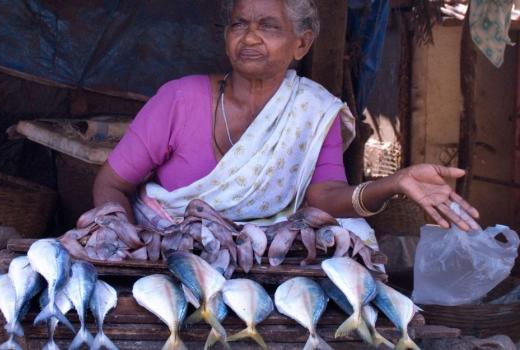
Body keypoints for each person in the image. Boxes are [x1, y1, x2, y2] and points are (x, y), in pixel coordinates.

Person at [93, 0, 479, 233]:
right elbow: (110, 185)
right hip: (168, 257)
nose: (249, 37)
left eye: (269, 26)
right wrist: (125, 243)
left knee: (355, 235)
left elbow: (325, 198)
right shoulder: (178, 99)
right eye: (239, 24)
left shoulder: (314, 112)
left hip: (265, 263)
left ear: (302, 42)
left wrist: (394, 183)